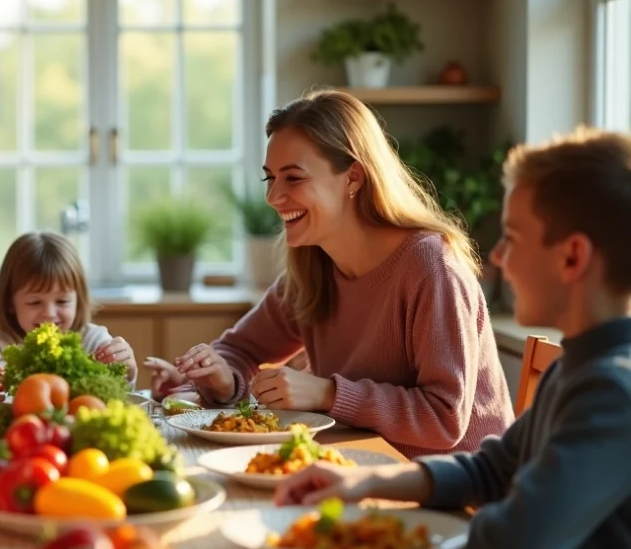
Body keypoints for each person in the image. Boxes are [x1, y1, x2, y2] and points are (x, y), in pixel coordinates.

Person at [275, 127, 631, 549]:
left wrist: (407, 540)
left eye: (513, 236)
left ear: (572, 258)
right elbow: (489, 468)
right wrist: (365, 486)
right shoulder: (576, 368)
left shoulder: (611, 393)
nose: (500, 257)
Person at [147, 89, 512, 457]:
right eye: (270, 179)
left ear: (352, 178)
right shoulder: (313, 265)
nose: (274, 197)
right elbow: (240, 348)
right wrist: (223, 378)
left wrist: (327, 393)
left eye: (293, 178)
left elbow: (444, 419)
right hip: (361, 467)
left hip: (456, 491)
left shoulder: (431, 268)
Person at [0, 232, 137, 399]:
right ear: (10, 303)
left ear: (78, 300)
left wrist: (126, 369)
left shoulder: (94, 339)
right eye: (34, 302)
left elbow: (119, 389)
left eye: (62, 301)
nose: (49, 313)